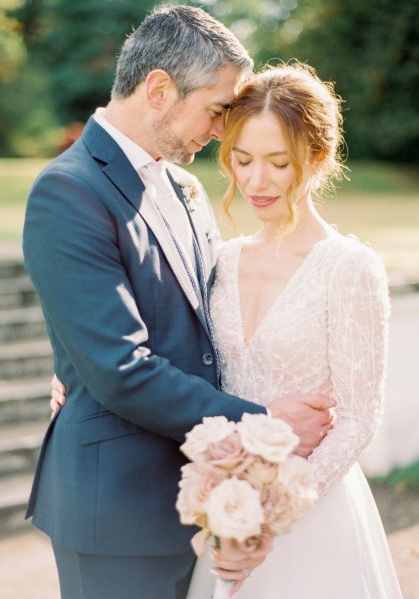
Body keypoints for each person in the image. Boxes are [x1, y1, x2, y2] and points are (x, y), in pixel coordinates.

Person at [23, 6, 333, 599]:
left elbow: (206, 321)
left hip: (203, 497)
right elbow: (118, 368)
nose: (222, 130)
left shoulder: (185, 186)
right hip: (116, 512)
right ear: (160, 89)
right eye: (217, 109)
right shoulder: (67, 190)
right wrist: (264, 425)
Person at [182, 62, 403, 598]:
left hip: (314, 520)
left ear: (317, 158)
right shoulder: (222, 261)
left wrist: (271, 510)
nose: (256, 181)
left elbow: (358, 417)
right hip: (228, 509)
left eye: (278, 163)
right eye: (242, 159)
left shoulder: (347, 266)